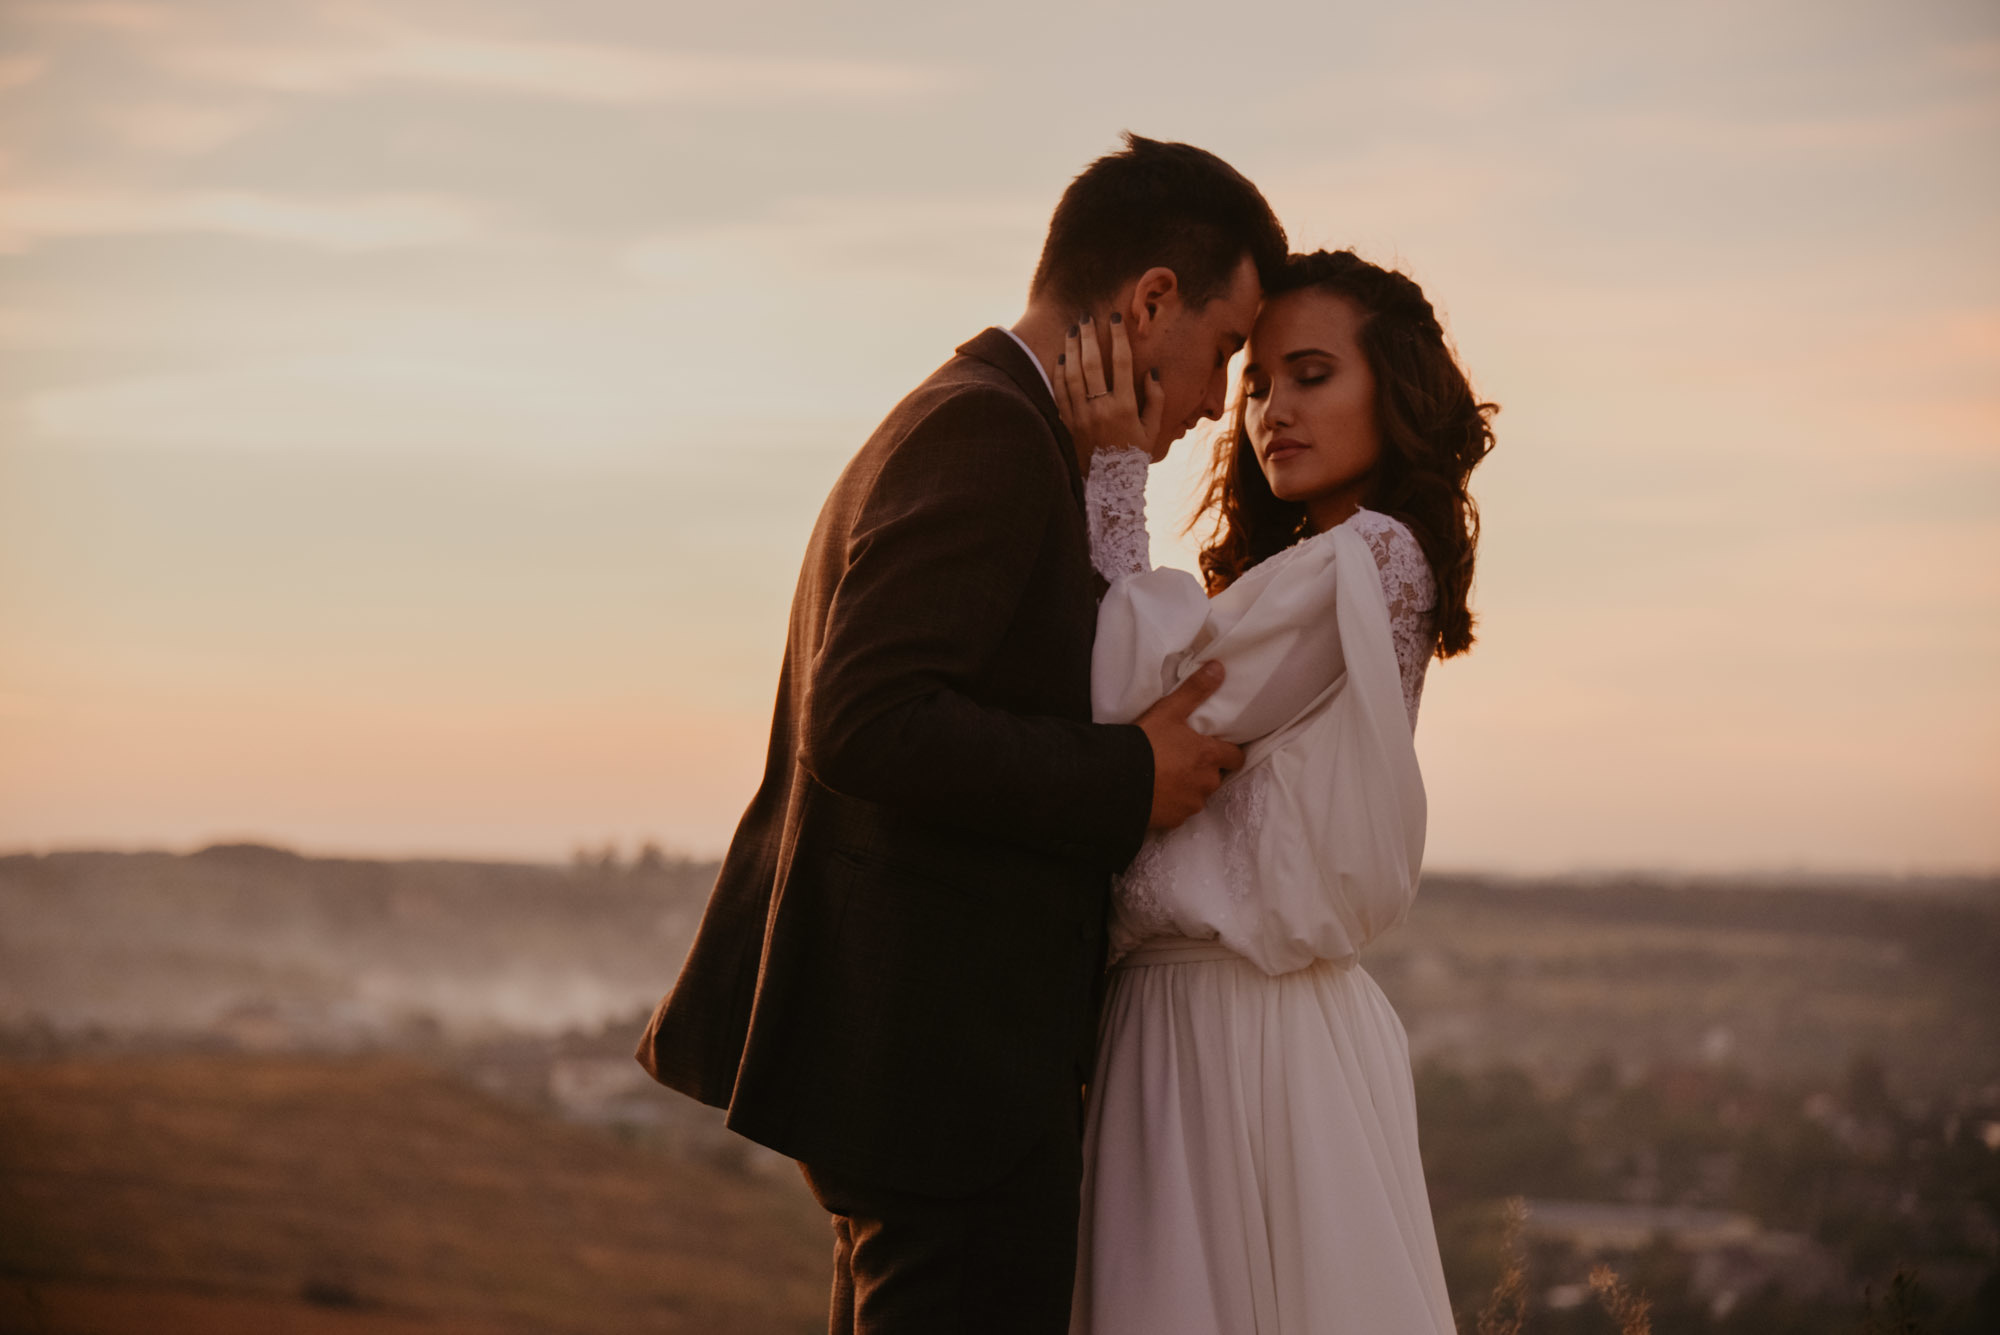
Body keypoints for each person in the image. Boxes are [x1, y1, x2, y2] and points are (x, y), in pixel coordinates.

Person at [633, 134, 1288, 1335]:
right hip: (948, 1079)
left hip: (920, 1070)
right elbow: (868, 720)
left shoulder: (982, 420)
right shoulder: (986, 434)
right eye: (1226, 350)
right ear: (1151, 301)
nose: (1214, 403)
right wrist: (1128, 773)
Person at [1055, 249, 1496, 1334]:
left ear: (1389, 391)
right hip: (1195, 1017)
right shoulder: (1315, 567)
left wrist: (1114, 470)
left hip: (1236, 1026)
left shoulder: (1372, 558)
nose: (1267, 411)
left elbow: (1132, 689)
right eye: (1252, 384)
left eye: (1308, 376)